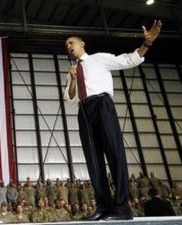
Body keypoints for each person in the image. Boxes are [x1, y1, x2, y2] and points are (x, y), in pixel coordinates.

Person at [64, 20, 162, 221]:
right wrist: (72, 78)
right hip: (83, 110)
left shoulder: (99, 59)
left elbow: (127, 60)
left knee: (115, 154)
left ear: (82, 44)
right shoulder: (72, 71)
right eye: (66, 46)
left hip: (102, 105)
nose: (69, 47)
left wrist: (147, 44)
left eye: (71, 42)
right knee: (93, 160)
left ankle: (122, 209)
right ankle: (103, 207)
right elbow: (69, 98)